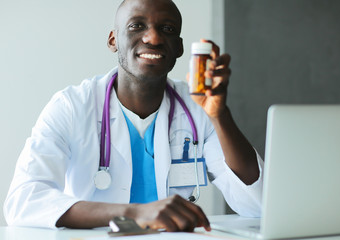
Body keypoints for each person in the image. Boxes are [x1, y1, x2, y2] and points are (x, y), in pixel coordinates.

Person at [4, 0, 263, 232]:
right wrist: (136, 213)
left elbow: (258, 203)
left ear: (180, 47)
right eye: (137, 26)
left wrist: (220, 116)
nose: (153, 37)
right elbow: (23, 200)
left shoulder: (198, 105)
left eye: (168, 29)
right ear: (113, 40)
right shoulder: (72, 106)